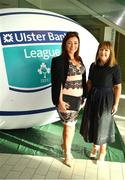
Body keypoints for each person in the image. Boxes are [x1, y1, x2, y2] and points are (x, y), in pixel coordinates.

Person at [80, 41, 122, 164]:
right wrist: (84, 96)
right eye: (101, 50)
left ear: (110, 53)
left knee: (103, 125)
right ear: (98, 51)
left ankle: (102, 152)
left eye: (106, 50)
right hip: (93, 97)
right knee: (93, 123)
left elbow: (118, 87)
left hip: (106, 100)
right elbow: (89, 82)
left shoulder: (115, 67)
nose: (103, 52)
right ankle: (95, 146)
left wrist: (116, 104)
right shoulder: (93, 66)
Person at [51, 31, 87, 167]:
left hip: (78, 100)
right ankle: (67, 154)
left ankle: (64, 145)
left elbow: (82, 79)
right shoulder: (58, 61)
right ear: (65, 44)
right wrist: (59, 101)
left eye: (76, 43)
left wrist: (84, 97)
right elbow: (57, 82)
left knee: (70, 125)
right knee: (70, 127)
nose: (73, 46)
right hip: (66, 99)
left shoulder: (80, 59)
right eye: (70, 43)